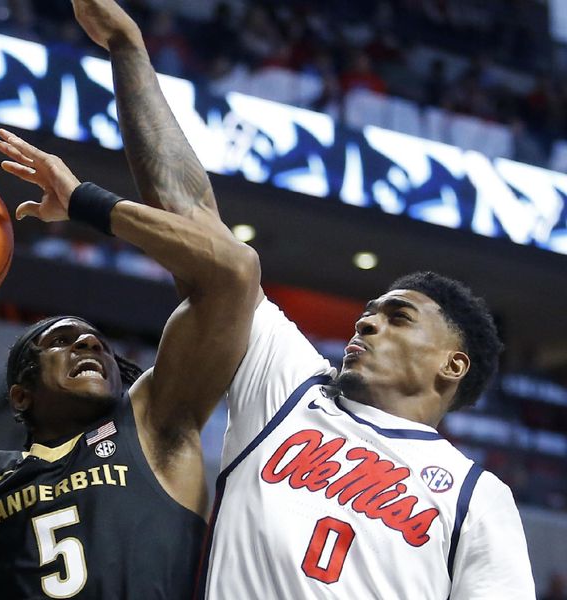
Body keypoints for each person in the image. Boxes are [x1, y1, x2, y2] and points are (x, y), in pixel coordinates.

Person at [70, 0, 536, 598]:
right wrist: (128, 48)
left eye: (399, 318)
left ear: (453, 363)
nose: (367, 325)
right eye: (369, 314)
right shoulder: (291, 382)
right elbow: (199, 227)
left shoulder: (477, 496)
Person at [0, 131, 260, 598]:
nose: (87, 344)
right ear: (21, 393)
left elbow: (234, 273)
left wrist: (86, 202)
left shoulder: (155, 427)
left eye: (98, 344)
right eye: (61, 341)